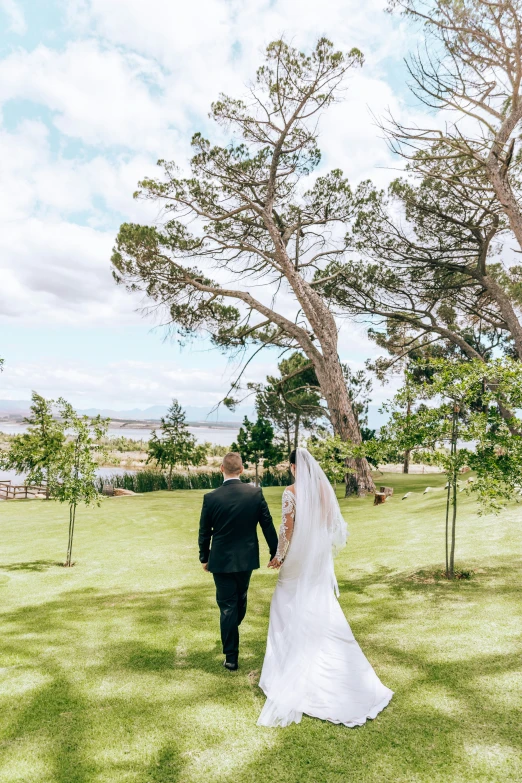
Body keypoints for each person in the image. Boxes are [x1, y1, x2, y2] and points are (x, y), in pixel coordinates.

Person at [258, 447, 393, 727]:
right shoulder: (323, 488)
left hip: (297, 558)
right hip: (317, 557)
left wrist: (278, 557)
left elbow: (287, 529)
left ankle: (285, 668)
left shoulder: (291, 492)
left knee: (284, 602)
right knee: (318, 601)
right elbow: (333, 524)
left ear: (295, 467)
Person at [198, 452, 278, 671]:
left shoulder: (211, 497)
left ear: (221, 469)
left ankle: (230, 630)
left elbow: (204, 532)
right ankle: (230, 656)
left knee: (232, 607)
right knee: (232, 605)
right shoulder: (254, 493)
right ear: (242, 470)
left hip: (223, 560)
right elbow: (267, 525)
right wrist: (275, 551)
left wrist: (204, 556)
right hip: (242, 560)